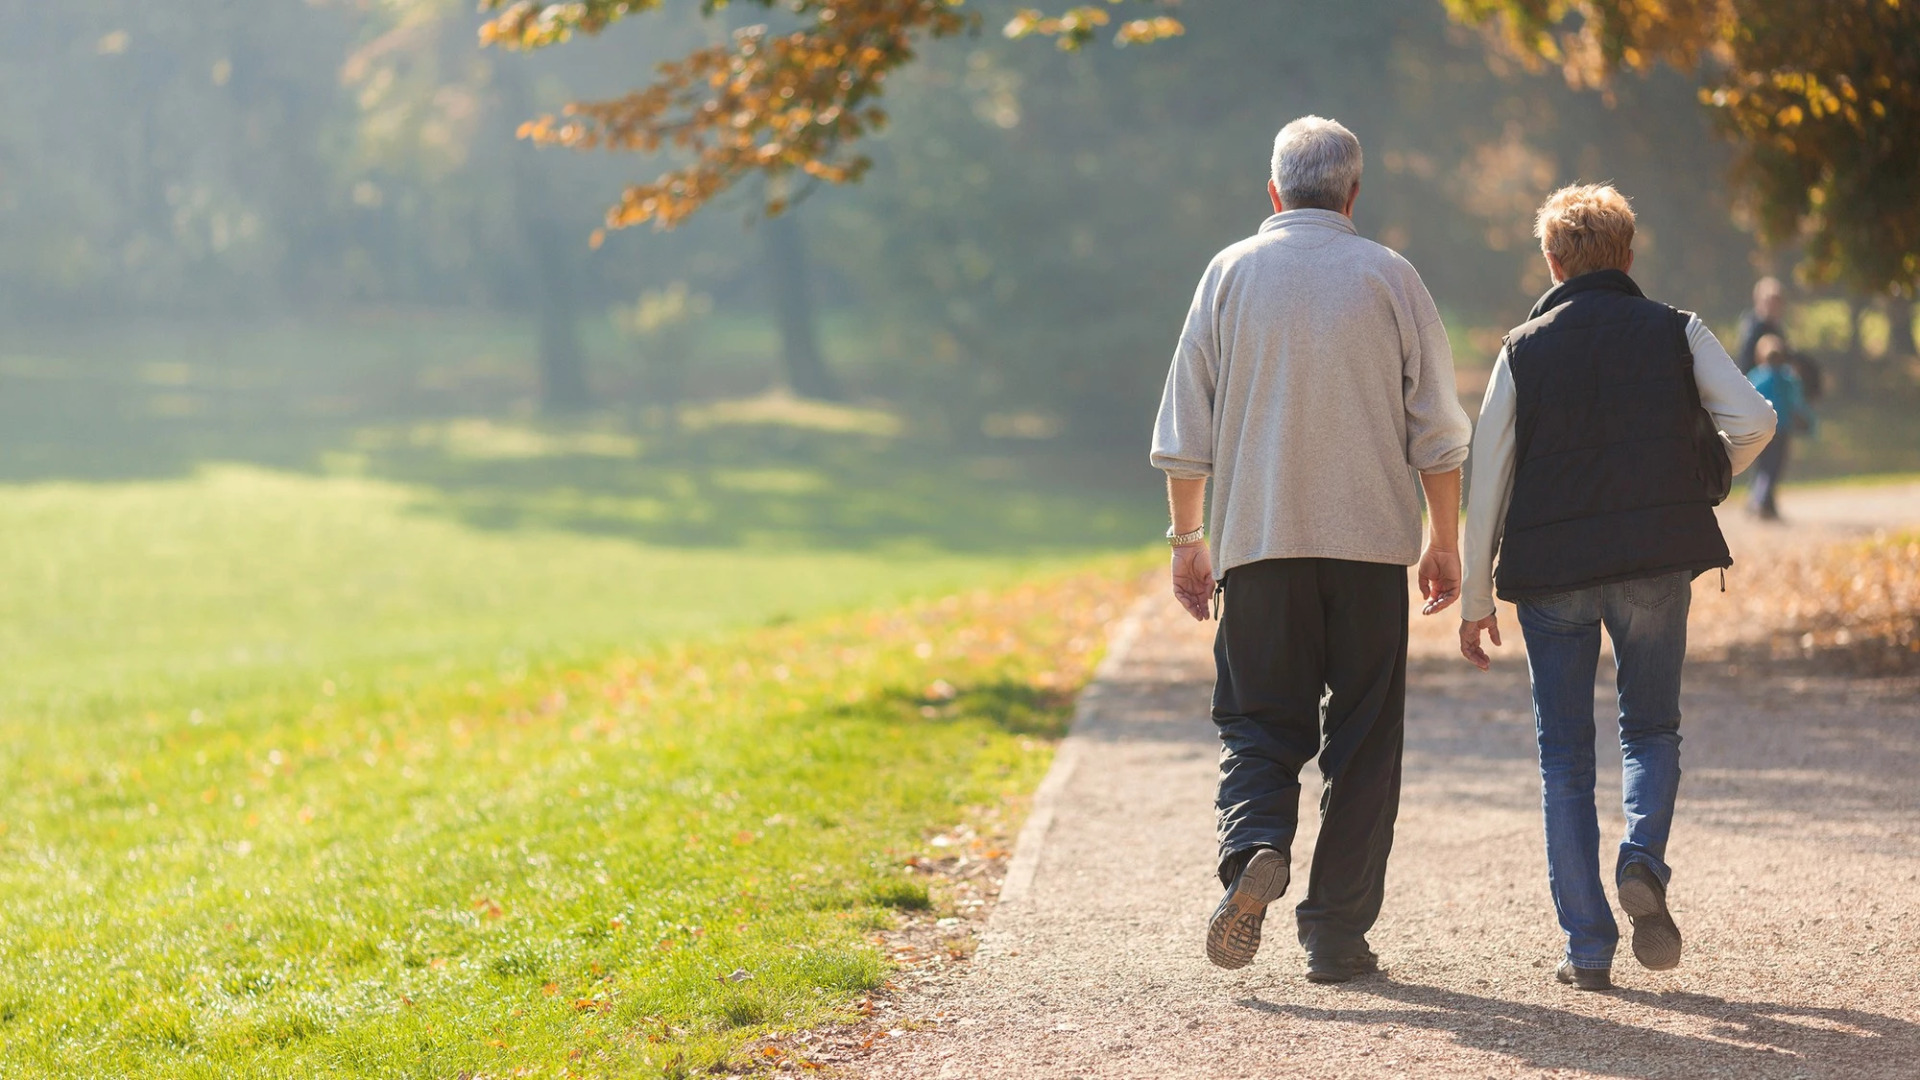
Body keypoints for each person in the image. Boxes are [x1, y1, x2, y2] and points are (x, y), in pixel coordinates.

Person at [1151, 115, 1472, 983]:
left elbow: (1188, 427)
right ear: (1353, 193)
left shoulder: (1229, 274)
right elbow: (1438, 432)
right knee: (1364, 743)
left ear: (1273, 191)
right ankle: (1334, 935)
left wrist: (1189, 539)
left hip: (1259, 548)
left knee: (1258, 721)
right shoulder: (1391, 276)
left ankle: (1255, 847)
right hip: (1370, 554)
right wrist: (1445, 541)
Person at [1457, 184, 1777, 992]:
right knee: (1652, 730)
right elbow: (1756, 420)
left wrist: (1473, 595)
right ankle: (1643, 861)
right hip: (1656, 561)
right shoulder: (1678, 330)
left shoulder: (1521, 348)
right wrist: (1703, 474)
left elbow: (1487, 473)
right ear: (1629, 256)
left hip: (1552, 576)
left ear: (1552, 261)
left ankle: (1588, 949)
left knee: (1564, 757)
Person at [1746, 333, 1813, 521]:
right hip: (1781, 429)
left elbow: (1747, 401)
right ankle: (1761, 502)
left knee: (1763, 467)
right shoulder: (1788, 378)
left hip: (1760, 429)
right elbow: (1797, 403)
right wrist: (1806, 421)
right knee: (1774, 468)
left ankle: (1763, 502)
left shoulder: (1756, 377)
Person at [1734, 276, 1786, 374]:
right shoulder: (1752, 328)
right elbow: (1744, 363)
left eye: (1778, 301)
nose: (1775, 306)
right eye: (1771, 301)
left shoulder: (1776, 327)